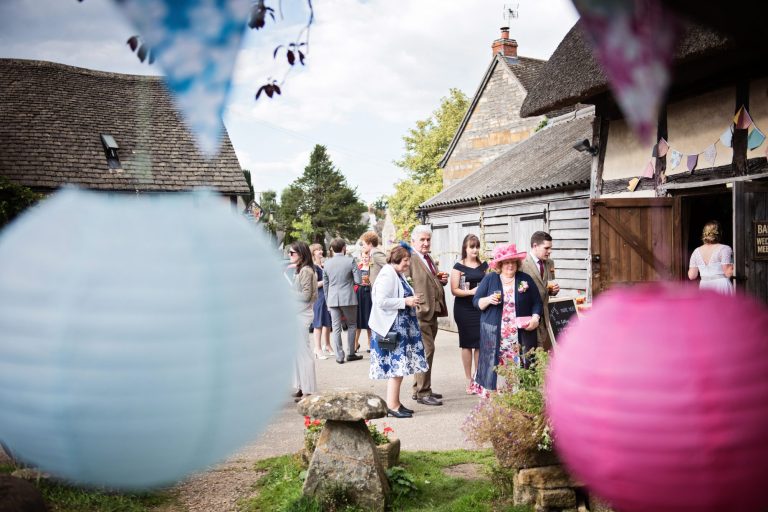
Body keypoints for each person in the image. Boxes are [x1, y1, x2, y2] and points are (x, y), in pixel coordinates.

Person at [472, 243, 543, 396]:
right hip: (495, 334)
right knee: (495, 365)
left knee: (521, 364)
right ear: (500, 264)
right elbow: (476, 302)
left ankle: (518, 398)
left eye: (513, 262)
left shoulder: (525, 279)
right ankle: (495, 399)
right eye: (506, 262)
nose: (510, 265)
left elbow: (537, 302)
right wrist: (488, 300)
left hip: (520, 335)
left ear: (517, 263)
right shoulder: (490, 279)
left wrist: (536, 318)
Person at [368, 246, 429, 418]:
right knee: (396, 369)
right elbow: (380, 301)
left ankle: (395, 403)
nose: (408, 263)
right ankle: (392, 406)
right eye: (405, 260)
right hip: (392, 329)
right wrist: (405, 301)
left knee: (400, 369)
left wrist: (409, 300)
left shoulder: (396, 273)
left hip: (401, 328)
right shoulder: (388, 274)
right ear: (396, 260)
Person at [406, 225, 448, 406]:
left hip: (433, 310)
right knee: (426, 351)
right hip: (420, 311)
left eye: (428, 239)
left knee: (425, 351)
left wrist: (440, 281)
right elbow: (405, 283)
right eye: (422, 240)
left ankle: (419, 388)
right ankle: (423, 393)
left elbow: (429, 281)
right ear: (413, 241)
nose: (425, 243)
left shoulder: (428, 257)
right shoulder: (410, 258)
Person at [450, 234, 488, 395]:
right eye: (472, 247)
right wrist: (470, 292)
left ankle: (478, 378)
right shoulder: (458, 266)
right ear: (465, 248)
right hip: (464, 309)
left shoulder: (484, 266)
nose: (475, 250)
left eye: (477, 246)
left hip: (480, 308)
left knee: (479, 343)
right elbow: (454, 290)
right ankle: (468, 379)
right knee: (466, 344)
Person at [323, 238, 362, 363]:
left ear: (332, 249)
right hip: (348, 298)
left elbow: (325, 285)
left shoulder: (327, 263)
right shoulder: (351, 260)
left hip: (332, 299)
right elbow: (358, 281)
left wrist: (328, 301)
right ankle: (351, 353)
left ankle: (339, 356)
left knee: (336, 328)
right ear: (344, 248)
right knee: (352, 325)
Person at [520, 231, 560, 351]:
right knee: (531, 351)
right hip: (528, 315)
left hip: (545, 314)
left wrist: (553, 291)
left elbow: (548, 285)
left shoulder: (550, 263)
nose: (550, 251)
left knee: (541, 348)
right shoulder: (522, 263)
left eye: (550, 248)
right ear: (535, 246)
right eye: (546, 248)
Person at [289, 241, 318, 401]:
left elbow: (307, 295)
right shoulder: (303, 270)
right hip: (299, 313)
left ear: (301, 254)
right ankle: (302, 387)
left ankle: (307, 389)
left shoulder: (306, 271)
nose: (290, 255)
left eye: (292, 253)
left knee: (302, 353)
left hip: (301, 314)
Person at [688, 220, 734, 295]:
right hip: (721, 286)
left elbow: (692, 276)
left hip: (704, 287)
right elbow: (728, 273)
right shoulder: (724, 249)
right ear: (720, 233)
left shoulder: (696, 251)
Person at [309, 243, 334, 359]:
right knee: (318, 324)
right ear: (313, 252)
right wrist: (326, 281)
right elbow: (314, 284)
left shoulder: (323, 266)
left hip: (327, 297)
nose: (320, 251)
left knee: (327, 322)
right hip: (319, 298)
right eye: (317, 250)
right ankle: (317, 349)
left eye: (320, 249)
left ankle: (327, 345)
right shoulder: (313, 267)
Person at [354, 249, 373, 353]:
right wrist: (360, 283)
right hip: (359, 293)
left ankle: (370, 344)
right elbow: (353, 280)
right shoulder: (358, 267)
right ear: (361, 258)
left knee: (369, 318)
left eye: (367, 257)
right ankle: (355, 343)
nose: (365, 259)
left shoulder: (372, 267)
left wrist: (370, 283)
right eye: (363, 257)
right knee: (358, 319)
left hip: (369, 294)